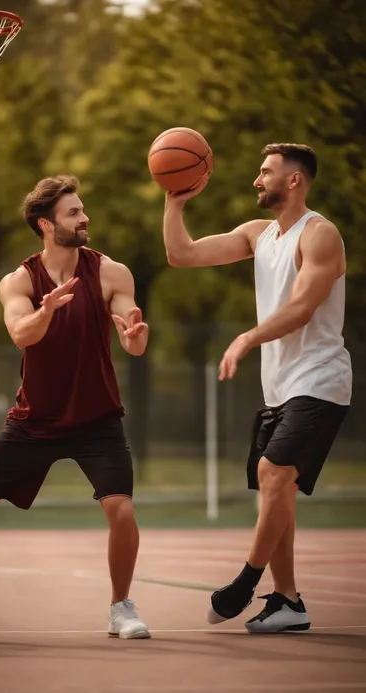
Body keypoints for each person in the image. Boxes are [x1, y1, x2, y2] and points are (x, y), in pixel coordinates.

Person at [0, 175, 151, 641]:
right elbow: (22, 335)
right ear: (45, 224)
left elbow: (133, 336)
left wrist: (135, 338)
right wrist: (48, 309)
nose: (85, 218)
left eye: (82, 210)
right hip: (34, 421)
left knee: (120, 510)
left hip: (97, 418)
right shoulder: (18, 281)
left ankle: (122, 608)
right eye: (74, 213)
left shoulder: (111, 272)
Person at [162, 143, 352, 633]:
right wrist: (173, 201)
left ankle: (246, 583)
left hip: (320, 379)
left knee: (273, 474)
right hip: (280, 386)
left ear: (294, 181)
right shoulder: (257, 235)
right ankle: (288, 601)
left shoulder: (321, 235)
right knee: (277, 491)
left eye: (265, 171)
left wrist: (248, 336)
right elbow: (181, 255)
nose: (256, 179)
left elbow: (303, 306)